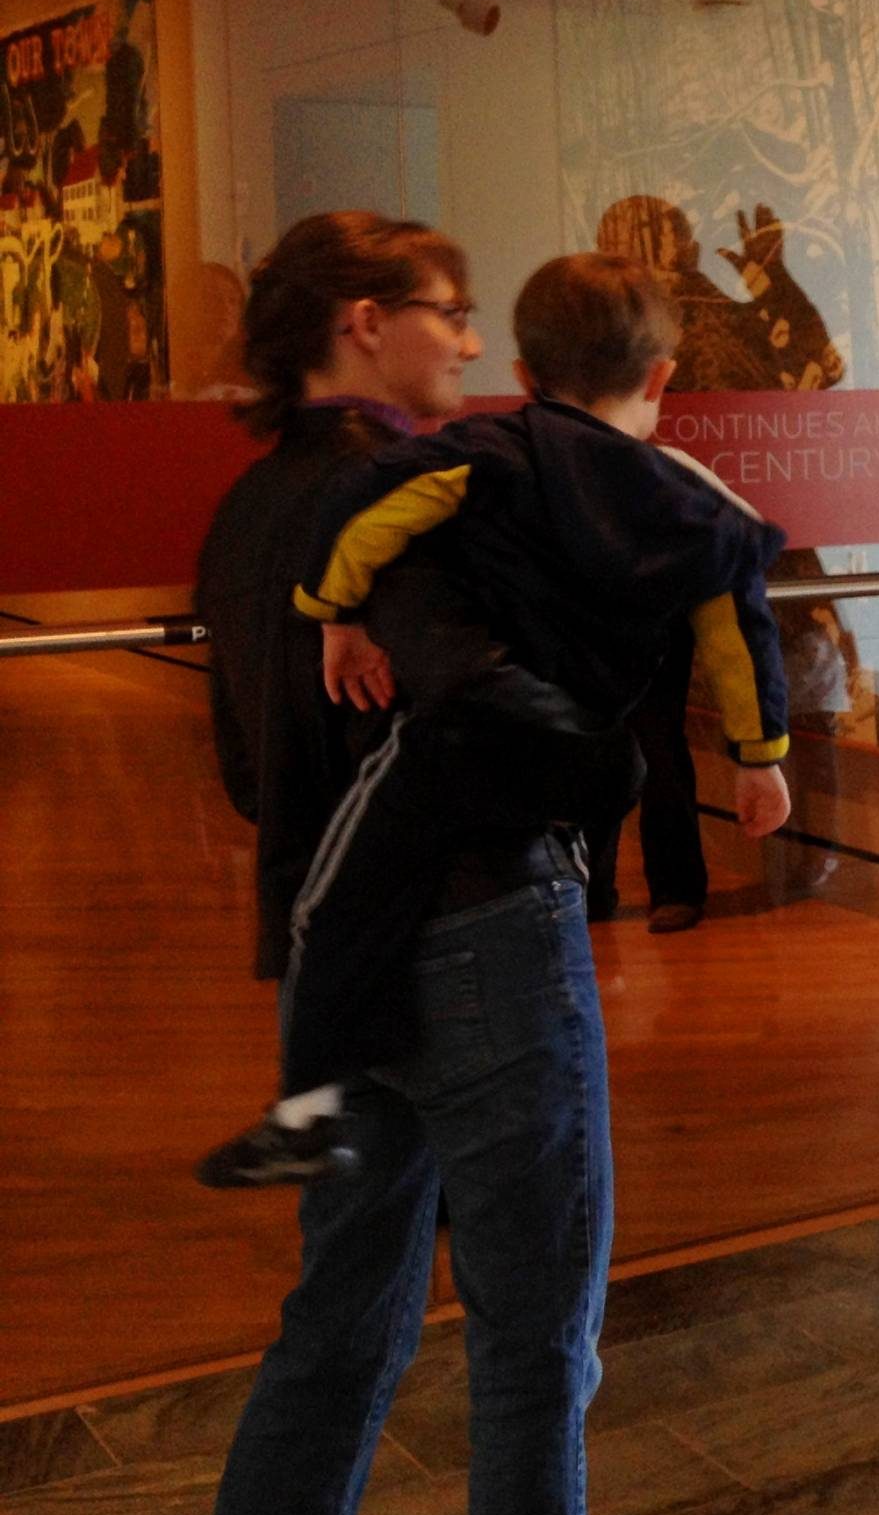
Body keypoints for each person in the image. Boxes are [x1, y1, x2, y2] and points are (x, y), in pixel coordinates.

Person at [193, 215, 613, 1515]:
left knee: (337, 1332)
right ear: (364, 321)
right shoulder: (419, 494)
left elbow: (250, 771)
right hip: (482, 940)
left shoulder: (245, 511)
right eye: (450, 308)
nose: (474, 341)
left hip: (331, 968)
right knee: (534, 1351)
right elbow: (500, 718)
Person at [196, 253, 796, 1188]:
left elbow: (371, 510)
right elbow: (737, 630)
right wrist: (760, 758)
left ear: (524, 373)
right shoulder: (696, 502)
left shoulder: (490, 453)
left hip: (451, 751)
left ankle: (307, 1111)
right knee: (542, 1178)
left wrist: (332, 611)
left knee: (330, 906)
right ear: (661, 377)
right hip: (575, 763)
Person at [584, 195, 847, 929]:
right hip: (690, 551)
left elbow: (819, 375)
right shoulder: (626, 336)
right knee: (643, 738)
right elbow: (820, 369)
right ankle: (644, 888)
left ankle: (660, 886)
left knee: (657, 734)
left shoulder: (692, 322)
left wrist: (774, 286)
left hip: (714, 544)